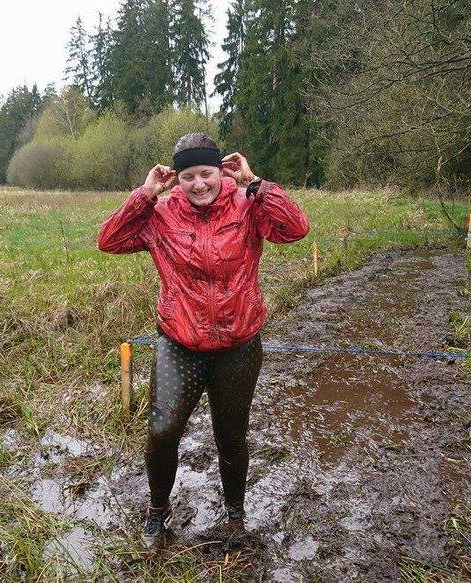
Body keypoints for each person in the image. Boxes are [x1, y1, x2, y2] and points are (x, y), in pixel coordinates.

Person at [97, 133, 310, 548]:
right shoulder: (160, 215)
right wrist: (145, 194)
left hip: (238, 344)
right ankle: (157, 511)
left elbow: (296, 228)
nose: (199, 184)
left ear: (221, 171)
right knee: (162, 430)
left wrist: (255, 183)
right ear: (176, 179)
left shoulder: (248, 206)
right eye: (189, 176)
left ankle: (235, 513)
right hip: (180, 342)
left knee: (231, 436)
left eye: (206, 174)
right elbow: (109, 240)